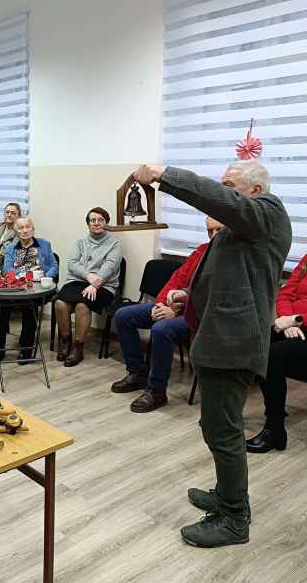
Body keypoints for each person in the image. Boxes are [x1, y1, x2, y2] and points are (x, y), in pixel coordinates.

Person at [133, 159, 291, 548]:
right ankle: (227, 494)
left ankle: (235, 517)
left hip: (234, 346)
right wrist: (187, 295)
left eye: (229, 184)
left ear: (254, 190)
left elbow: (221, 202)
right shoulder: (241, 229)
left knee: (223, 432)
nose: (221, 191)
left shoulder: (267, 213)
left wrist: (164, 175)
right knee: (217, 428)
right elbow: (228, 279)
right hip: (218, 341)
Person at [111, 217, 224, 411]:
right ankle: (137, 372)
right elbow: (176, 279)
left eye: (218, 230)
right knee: (123, 316)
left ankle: (157, 390)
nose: (213, 235)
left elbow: (213, 295)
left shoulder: (232, 258)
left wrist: (176, 309)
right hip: (176, 307)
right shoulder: (201, 251)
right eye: (209, 231)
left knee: (161, 329)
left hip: (201, 315)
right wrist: (160, 305)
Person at [245, 255, 307, 453]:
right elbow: (286, 292)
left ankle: (275, 430)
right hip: (295, 326)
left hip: (299, 325)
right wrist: (286, 318)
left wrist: (297, 320)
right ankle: (272, 409)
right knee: (258, 342)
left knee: (273, 357)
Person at [54, 207, 121, 367]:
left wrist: (96, 284)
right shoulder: (80, 243)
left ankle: (78, 348)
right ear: (88, 224)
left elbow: (109, 267)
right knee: (60, 304)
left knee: (82, 306)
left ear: (106, 223)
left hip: (104, 286)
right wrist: (89, 277)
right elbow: (72, 264)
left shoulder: (114, 244)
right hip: (78, 281)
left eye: (101, 220)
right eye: (93, 220)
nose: (96, 223)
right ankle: (65, 342)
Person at [2, 216, 59, 363]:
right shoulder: (10, 248)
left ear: (33, 229)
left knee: (30, 304)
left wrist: (45, 276)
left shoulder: (44, 245)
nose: (25, 230)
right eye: (20, 228)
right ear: (16, 231)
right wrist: (21, 277)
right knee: (0, 305)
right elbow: (7, 269)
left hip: (39, 288)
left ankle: (26, 349)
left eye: (28, 227)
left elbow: (54, 266)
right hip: (18, 286)